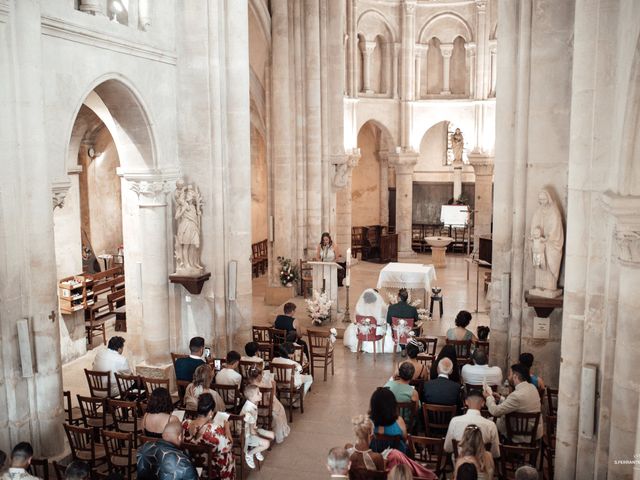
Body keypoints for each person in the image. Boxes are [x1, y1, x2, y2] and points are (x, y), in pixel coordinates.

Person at [346, 415, 436, 479]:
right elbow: (383, 477)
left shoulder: (347, 450)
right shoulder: (376, 457)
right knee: (396, 455)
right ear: (371, 435)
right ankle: (428, 475)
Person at [483, 364, 543, 443]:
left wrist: (488, 397)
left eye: (510, 374)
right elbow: (516, 405)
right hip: (533, 431)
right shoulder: (532, 387)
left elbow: (495, 411)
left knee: (488, 421)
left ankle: (495, 451)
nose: (508, 377)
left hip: (520, 433)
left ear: (515, 376)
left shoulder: (516, 395)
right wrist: (501, 398)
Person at [182, 393, 234, 479]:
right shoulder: (215, 431)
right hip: (212, 468)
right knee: (228, 454)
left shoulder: (185, 424)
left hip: (192, 463)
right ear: (210, 412)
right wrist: (227, 427)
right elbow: (229, 445)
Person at [444, 391, 500, 459]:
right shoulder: (491, 425)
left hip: (459, 463)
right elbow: (495, 453)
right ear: (483, 403)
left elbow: (447, 448)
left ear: (466, 402)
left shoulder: (455, 421)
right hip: (481, 465)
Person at [246, 366, 290, 443]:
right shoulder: (265, 385)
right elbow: (271, 399)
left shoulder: (248, 385)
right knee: (279, 408)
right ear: (259, 376)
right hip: (265, 409)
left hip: (253, 407)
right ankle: (277, 432)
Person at [343, 288, 394, 354]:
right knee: (386, 327)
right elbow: (385, 319)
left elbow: (356, 320)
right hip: (375, 332)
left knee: (353, 327)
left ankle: (361, 346)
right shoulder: (381, 306)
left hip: (362, 331)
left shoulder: (359, 306)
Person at [240, 384, 275, 469]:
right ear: (251, 397)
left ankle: (257, 448)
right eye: (258, 393)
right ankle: (249, 453)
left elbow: (253, 428)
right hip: (246, 435)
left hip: (252, 430)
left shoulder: (253, 403)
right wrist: (262, 437)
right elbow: (252, 432)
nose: (261, 394)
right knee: (266, 443)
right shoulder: (249, 410)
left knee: (272, 435)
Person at [368, 387, 408, 454]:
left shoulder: (368, 422)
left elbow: (365, 444)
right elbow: (404, 438)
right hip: (396, 459)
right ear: (393, 404)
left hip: (375, 459)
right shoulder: (399, 421)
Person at [384, 362, 420, 426]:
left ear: (399, 373)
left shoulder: (387, 385)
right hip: (405, 423)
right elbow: (416, 409)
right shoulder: (413, 393)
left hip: (388, 420)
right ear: (412, 376)